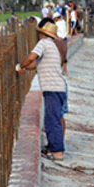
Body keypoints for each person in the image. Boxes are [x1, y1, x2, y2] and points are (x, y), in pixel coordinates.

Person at [18, 20, 67, 161]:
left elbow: (31, 57)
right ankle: (54, 149)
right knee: (53, 119)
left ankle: (58, 153)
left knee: (52, 121)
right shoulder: (50, 46)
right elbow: (34, 64)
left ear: (42, 34)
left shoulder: (43, 44)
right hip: (57, 88)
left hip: (52, 88)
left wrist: (21, 65)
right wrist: (26, 67)